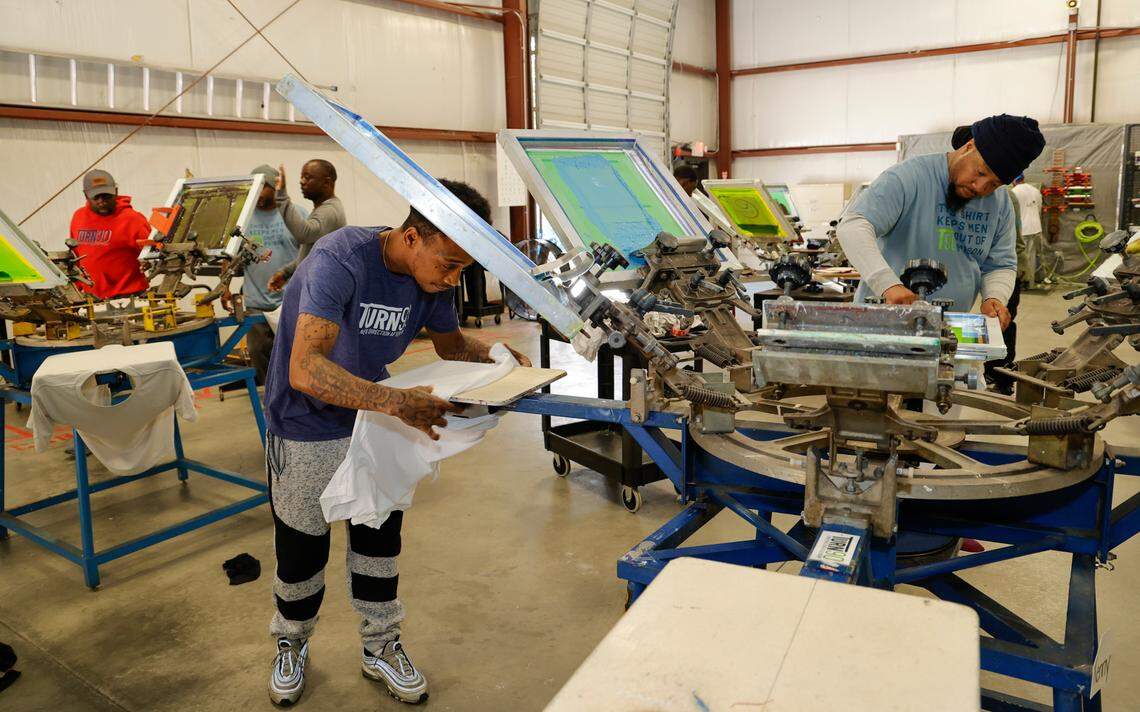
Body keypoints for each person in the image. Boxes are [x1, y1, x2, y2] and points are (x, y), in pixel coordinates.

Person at [262, 179, 530, 707]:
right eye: (449, 265)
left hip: (376, 418)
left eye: (462, 270)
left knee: (378, 539)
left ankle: (380, 645)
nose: (452, 279)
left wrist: (500, 359)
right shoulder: (341, 259)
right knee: (302, 548)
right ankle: (291, 641)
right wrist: (398, 403)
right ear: (412, 237)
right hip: (306, 423)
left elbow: (451, 345)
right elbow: (305, 369)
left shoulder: (433, 280)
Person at [837, 114, 1046, 332]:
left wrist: (995, 296)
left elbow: (1000, 264)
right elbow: (853, 226)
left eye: (994, 184)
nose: (980, 187)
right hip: (880, 325)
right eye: (980, 172)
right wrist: (888, 284)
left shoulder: (1000, 202)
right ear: (969, 146)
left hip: (947, 330)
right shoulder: (909, 177)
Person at [222, 165, 301, 384]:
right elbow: (228, 255)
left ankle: (297, 398)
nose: (256, 193)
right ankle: (270, 397)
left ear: (275, 186)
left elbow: (311, 252)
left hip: (291, 302)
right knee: (259, 354)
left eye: (262, 187)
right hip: (255, 303)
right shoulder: (243, 221)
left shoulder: (296, 215)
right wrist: (225, 287)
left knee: (294, 355)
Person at [68, 169, 151, 299]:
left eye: (106, 196)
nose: (101, 201)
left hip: (129, 296)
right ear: (86, 195)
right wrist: (77, 289)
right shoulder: (78, 217)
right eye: (96, 197)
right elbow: (75, 256)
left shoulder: (133, 219)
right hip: (91, 298)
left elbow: (153, 254)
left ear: (116, 191)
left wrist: (148, 261)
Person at [267, 159, 347, 291]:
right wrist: (286, 273)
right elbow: (310, 252)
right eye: (302, 177)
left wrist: (281, 196)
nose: (302, 181)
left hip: (321, 291)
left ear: (326, 182)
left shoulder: (329, 211)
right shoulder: (323, 208)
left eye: (308, 177)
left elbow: (304, 234)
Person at [1010, 174, 1044, 289]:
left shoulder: (1014, 192)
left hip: (1022, 229)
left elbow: (1012, 212)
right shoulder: (1035, 190)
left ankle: (1020, 283)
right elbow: (1039, 208)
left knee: (1020, 257)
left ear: (1014, 180)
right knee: (1032, 257)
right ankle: (1030, 283)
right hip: (1035, 228)